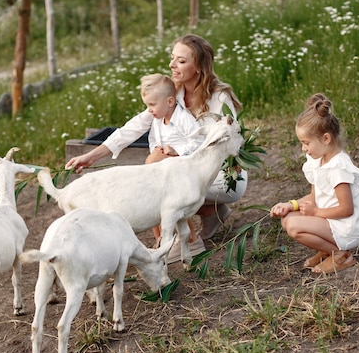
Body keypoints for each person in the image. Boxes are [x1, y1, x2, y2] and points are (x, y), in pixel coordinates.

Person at [66, 34, 247, 246]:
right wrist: (91, 156)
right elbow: (134, 127)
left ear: (199, 66)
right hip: (189, 172)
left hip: (222, 175)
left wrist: (178, 153)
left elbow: (226, 144)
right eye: (172, 58)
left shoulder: (219, 98)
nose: (172, 65)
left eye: (181, 61)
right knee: (161, 168)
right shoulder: (172, 91)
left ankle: (184, 242)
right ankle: (210, 212)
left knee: (157, 168)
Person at [270, 93, 359, 274]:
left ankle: (340, 255)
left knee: (294, 226)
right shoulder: (318, 162)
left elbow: (346, 209)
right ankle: (327, 250)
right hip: (329, 221)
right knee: (288, 220)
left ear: (325, 138)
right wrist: (290, 205)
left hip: (345, 226)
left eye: (306, 143)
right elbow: (314, 197)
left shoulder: (338, 167)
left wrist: (315, 212)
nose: (303, 149)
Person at [138, 73, 205, 260]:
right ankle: (160, 239)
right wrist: (156, 150)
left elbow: (198, 141)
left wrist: (177, 150)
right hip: (164, 170)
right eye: (147, 105)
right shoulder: (157, 121)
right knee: (151, 194)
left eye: (152, 105)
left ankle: (190, 238)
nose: (149, 110)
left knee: (171, 200)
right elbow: (152, 140)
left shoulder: (183, 118)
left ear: (169, 101)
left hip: (182, 169)